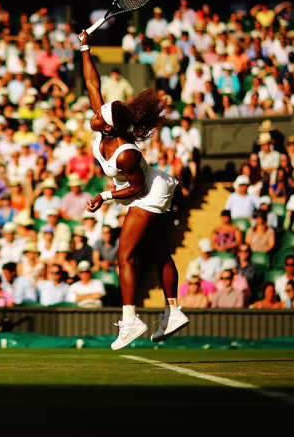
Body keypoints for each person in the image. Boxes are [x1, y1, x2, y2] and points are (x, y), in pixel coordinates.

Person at [80, 31, 186, 349]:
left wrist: (105, 195)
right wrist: (85, 48)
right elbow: (92, 84)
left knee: (125, 257)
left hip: (149, 192)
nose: (94, 115)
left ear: (109, 127)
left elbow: (136, 189)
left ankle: (131, 320)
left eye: (99, 116)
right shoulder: (108, 127)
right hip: (148, 188)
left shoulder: (126, 152)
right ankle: (175, 312)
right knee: (156, 253)